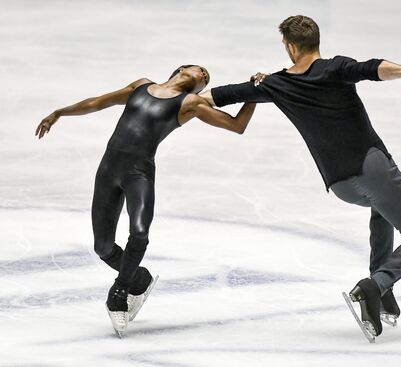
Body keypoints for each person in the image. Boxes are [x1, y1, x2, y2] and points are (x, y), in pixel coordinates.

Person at [199, 15, 401, 340]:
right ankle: (375, 286)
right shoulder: (335, 68)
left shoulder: (275, 84)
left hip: (340, 185)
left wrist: (172, 97)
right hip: (372, 168)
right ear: (315, 42)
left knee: (382, 210)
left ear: (290, 46)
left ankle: (382, 286)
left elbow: (219, 96)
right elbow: (372, 68)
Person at [35, 65, 256, 336]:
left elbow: (237, 125)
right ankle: (139, 279)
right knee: (103, 248)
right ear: (181, 69)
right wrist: (59, 113)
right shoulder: (140, 86)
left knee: (139, 234)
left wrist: (253, 94)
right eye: (201, 70)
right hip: (107, 171)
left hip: (139, 174)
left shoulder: (190, 103)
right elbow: (97, 103)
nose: (204, 75)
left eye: (206, 78)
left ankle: (120, 290)